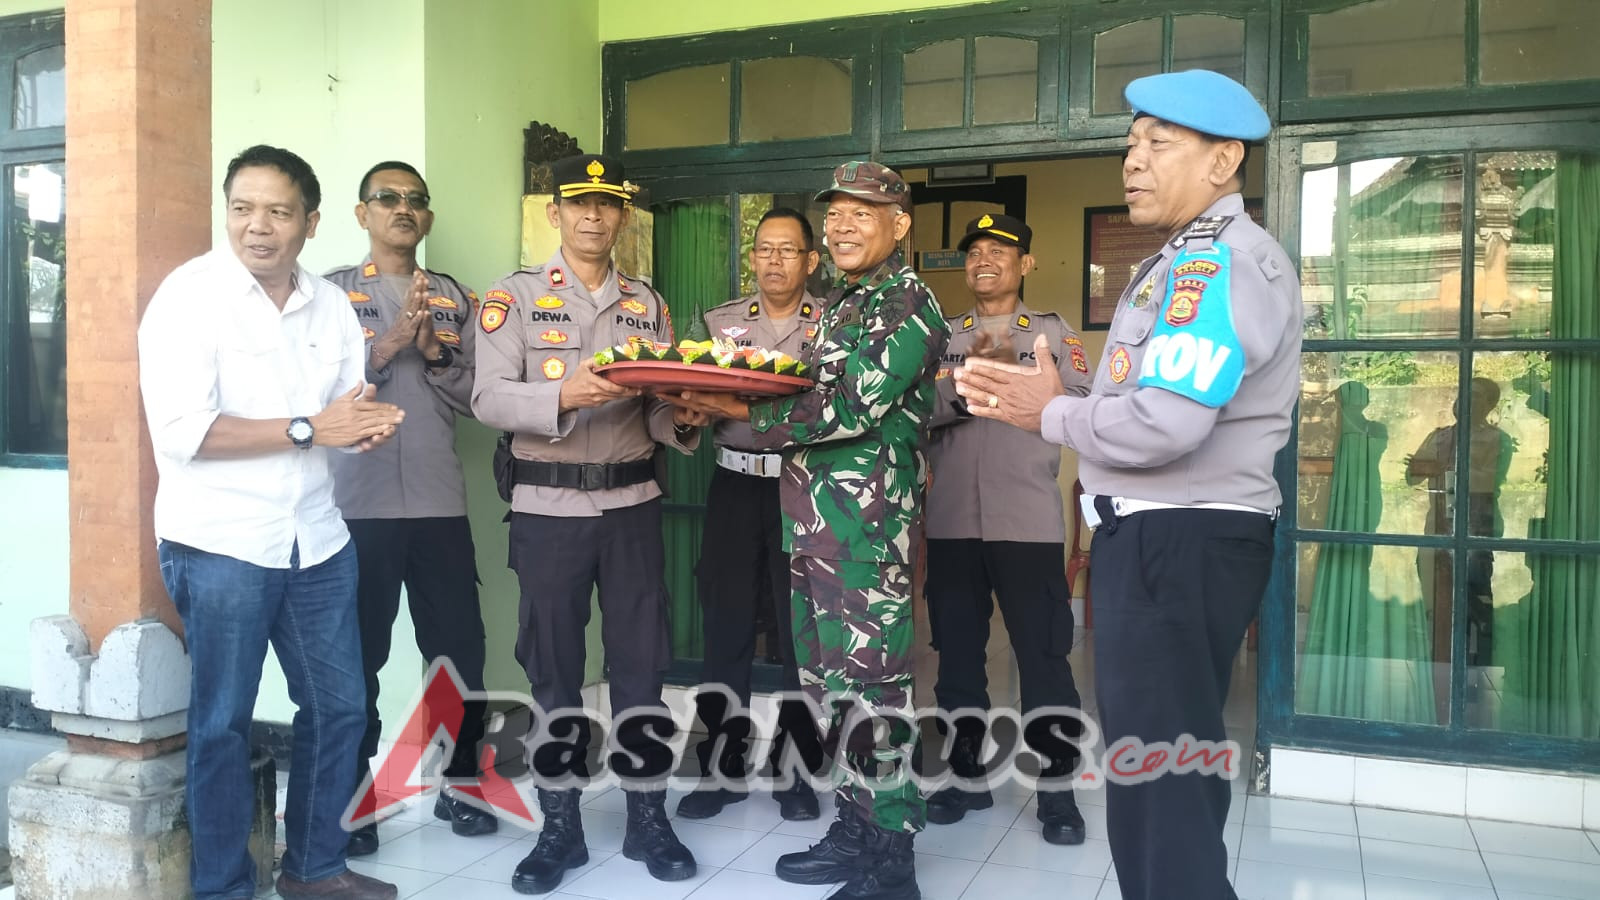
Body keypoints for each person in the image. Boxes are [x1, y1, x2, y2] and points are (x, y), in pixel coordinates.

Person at [954, 70, 1301, 900]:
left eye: (1158, 144)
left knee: (1162, 785)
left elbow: (1167, 426)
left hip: (1175, 541)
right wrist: (1056, 403)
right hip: (1166, 540)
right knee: (1163, 771)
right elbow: (1147, 405)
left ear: (1224, 161)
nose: (1131, 162)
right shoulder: (1183, 260)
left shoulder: (1214, 266)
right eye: (1130, 143)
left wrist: (1052, 415)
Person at [673, 160, 950, 900]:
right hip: (816, 527)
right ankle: (856, 827)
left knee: (876, 692)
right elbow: (807, 385)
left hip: (864, 536)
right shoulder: (848, 303)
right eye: (837, 213)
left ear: (900, 225)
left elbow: (846, 408)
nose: (843, 225)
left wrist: (733, 409)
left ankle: (892, 860)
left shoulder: (907, 301)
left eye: (865, 212)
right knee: (834, 690)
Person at [138, 145, 402, 900]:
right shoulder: (188, 298)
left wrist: (365, 425)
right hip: (220, 542)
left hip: (316, 538)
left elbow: (340, 412)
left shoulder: (328, 305)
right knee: (221, 722)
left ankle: (314, 867)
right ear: (226, 213)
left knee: (341, 705)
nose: (258, 227)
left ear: (311, 223)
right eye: (242, 208)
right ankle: (222, 888)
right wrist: (310, 428)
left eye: (278, 212)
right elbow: (184, 432)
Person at [471, 153, 710, 895]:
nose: (595, 216)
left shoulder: (649, 305)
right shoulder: (512, 300)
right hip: (548, 514)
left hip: (634, 508)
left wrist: (687, 419)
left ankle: (646, 816)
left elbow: (660, 406)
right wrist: (563, 396)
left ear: (622, 216)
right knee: (553, 674)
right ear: (557, 213)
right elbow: (487, 399)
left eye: (609, 204)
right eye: (581, 203)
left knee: (643, 665)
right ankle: (560, 825)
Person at [323, 161, 494, 856]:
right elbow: (309, 388)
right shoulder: (328, 295)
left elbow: (482, 398)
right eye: (387, 198)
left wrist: (432, 355)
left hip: (436, 503)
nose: (402, 208)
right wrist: (382, 349)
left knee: (457, 649)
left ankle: (461, 783)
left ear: (427, 218)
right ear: (361, 213)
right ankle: (353, 793)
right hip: (353, 507)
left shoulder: (455, 298)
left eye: (415, 200)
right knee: (354, 654)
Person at [922, 214, 1092, 842]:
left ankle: (1057, 794)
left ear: (1026, 264)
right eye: (974, 253)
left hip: (1026, 526)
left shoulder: (1050, 333)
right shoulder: (940, 337)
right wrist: (963, 391)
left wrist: (1026, 391)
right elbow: (914, 410)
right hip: (953, 526)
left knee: (1044, 661)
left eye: (1000, 251)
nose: (984, 261)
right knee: (958, 662)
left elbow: (1081, 403)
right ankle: (966, 781)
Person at [677, 207, 825, 823]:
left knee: (800, 633)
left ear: (811, 261)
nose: (773, 261)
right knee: (726, 626)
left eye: (788, 250)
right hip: (736, 487)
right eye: (764, 249)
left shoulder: (835, 325)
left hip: (805, 489)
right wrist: (688, 414)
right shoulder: (719, 324)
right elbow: (685, 397)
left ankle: (795, 767)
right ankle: (723, 764)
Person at [1406, 376, 1514, 671]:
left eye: (1476, 395)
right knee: (1437, 600)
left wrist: (1444, 467)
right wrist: (1423, 466)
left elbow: (1487, 481)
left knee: (1476, 602)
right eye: (1462, 393)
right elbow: (1411, 477)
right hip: (1438, 526)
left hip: (1476, 528)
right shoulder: (1439, 436)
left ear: (1490, 405)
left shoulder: (1497, 439)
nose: (1465, 400)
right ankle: (1438, 665)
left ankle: (1477, 670)